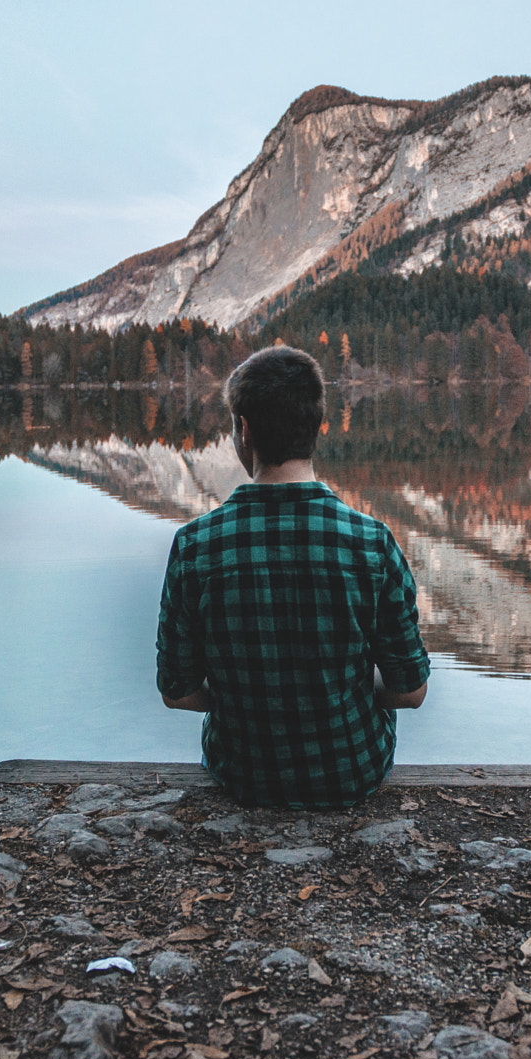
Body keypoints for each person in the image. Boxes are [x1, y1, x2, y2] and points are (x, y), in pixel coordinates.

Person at [155, 345, 430, 808]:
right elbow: (411, 692)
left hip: (242, 773)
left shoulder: (195, 546)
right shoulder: (372, 543)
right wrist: (347, 693)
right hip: (352, 771)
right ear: (317, 425)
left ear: (243, 429)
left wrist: (239, 698)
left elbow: (177, 692)